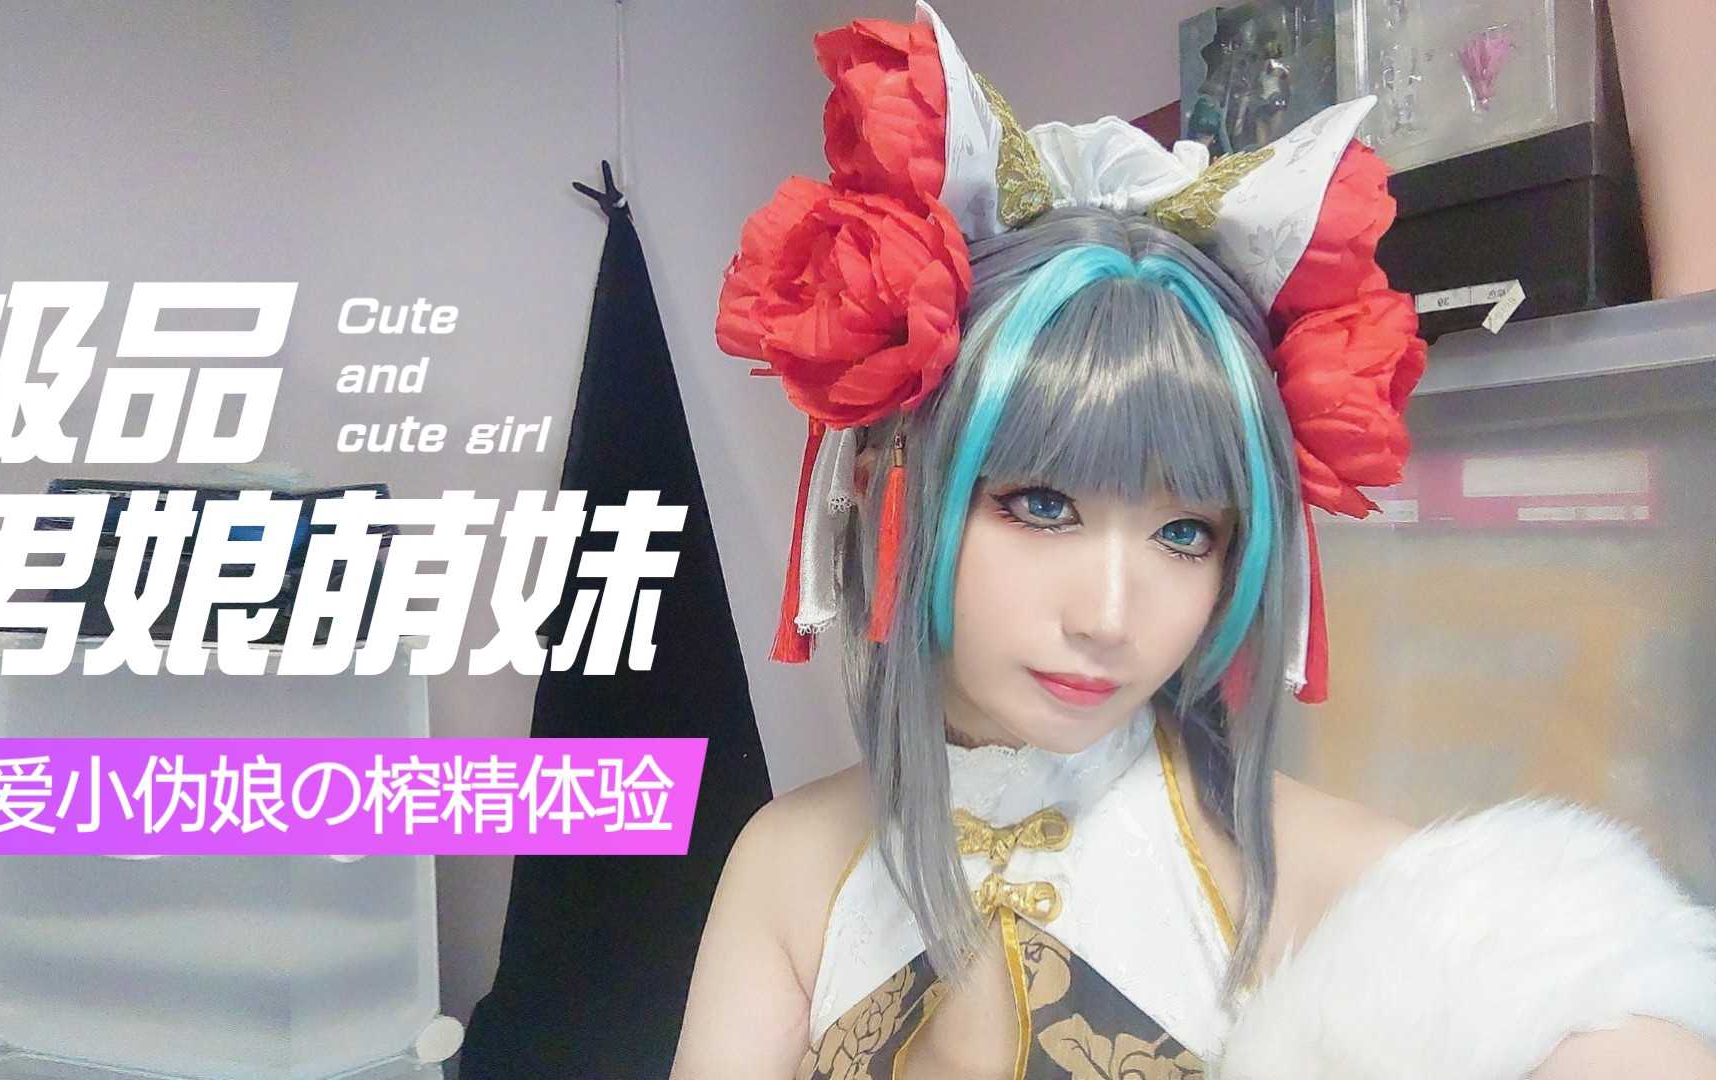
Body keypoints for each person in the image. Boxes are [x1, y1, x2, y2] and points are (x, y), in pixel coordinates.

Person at [672, 5, 1716, 1078]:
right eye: (1042, 507)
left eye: (1183, 533)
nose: (1109, 617)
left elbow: (1599, 995)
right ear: (890, 493)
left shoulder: (1292, 869)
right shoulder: (791, 869)